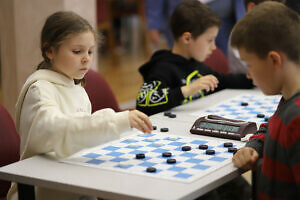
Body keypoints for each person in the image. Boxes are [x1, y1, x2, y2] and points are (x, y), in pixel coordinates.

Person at [7, 11, 152, 200]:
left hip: (75, 180)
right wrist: (116, 121)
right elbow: (58, 129)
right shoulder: (40, 91)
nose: (86, 58)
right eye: (77, 51)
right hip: (42, 190)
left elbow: (80, 136)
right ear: (50, 51)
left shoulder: (76, 86)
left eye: (90, 51)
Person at [231, 2, 300, 199]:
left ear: (274, 60)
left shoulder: (297, 118)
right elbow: (273, 125)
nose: (248, 74)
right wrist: (254, 147)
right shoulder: (289, 100)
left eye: (250, 64)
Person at [136, 0, 253, 116]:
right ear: (187, 38)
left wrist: (255, 77)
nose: (213, 47)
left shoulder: (198, 67)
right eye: (209, 40)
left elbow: (224, 81)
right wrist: (187, 90)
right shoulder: (162, 68)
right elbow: (143, 103)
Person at [228, 0, 284, 74]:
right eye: (273, 10)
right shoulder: (240, 38)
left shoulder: (274, 29)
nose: (279, 15)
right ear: (252, 8)